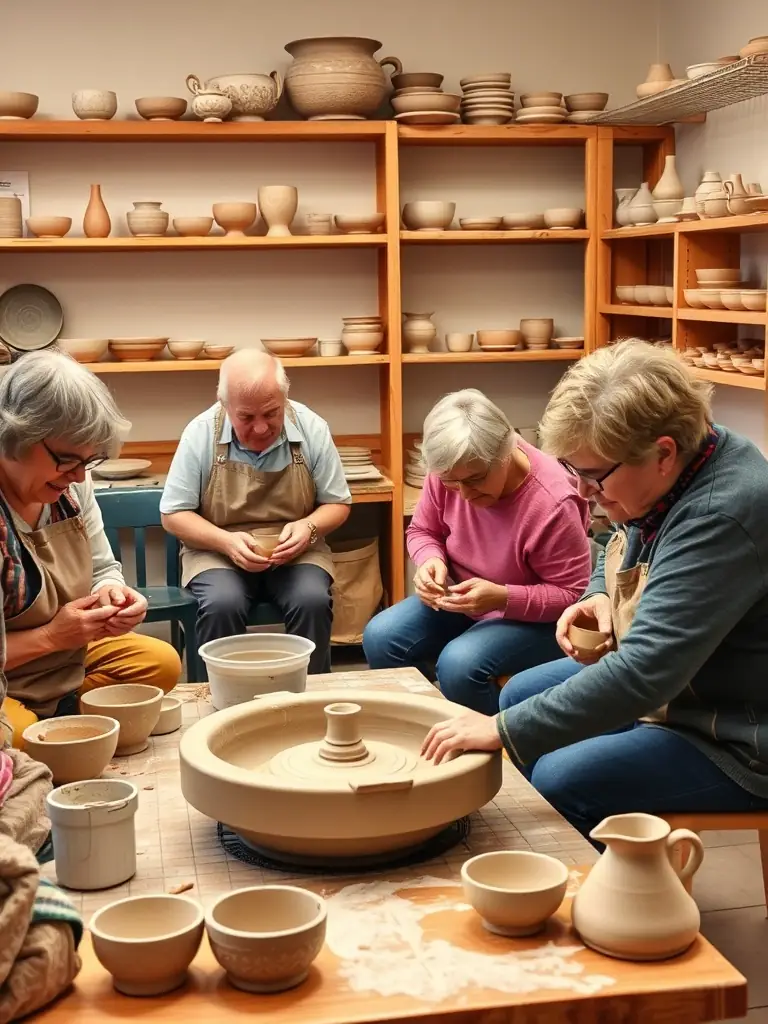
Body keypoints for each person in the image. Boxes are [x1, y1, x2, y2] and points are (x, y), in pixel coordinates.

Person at [421, 341, 768, 839]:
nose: (583, 493)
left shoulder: (720, 515)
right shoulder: (677, 464)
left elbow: (643, 676)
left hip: (732, 734)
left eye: (591, 477)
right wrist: (597, 594)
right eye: (573, 473)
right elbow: (614, 540)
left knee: (561, 777)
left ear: (663, 453)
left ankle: (624, 904)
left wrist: (500, 731)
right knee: (518, 692)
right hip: (682, 691)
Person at [363, 389, 592, 714]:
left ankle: (501, 749)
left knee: (460, 664)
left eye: (475, 480)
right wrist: (430, 560)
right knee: (381, 636)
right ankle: (425, 728)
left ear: (506, 450)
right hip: (462, 598)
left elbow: (573, 596)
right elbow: (422, 530)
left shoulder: (552, 502)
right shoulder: (451, 471)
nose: (464, 494)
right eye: (452, 483)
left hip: (534, 619)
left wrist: (501, 597)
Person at [0, 351, 180, 749]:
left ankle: (63, 727)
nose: (81, 475)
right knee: (14, 739)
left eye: (90, 460)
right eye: (67, 460)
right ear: (15, 435)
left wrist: (112, 593)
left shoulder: (73, 484)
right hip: (9, 678)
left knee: (161, 664)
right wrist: (50, 636)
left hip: (68, 659)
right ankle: (55, 729)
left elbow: (102, 567)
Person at [160, 350, 351, 675]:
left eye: (272, 413)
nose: (261, 428)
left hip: (294, 550)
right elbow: (174, 514)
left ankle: (311, 701)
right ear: (225, 404)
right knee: (222, 604)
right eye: (246, 417)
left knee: (312, 600)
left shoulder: (311, 428)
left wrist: (310, 527)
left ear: (284, 397)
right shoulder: (201, 433)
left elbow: (338, 503)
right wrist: (226, 542)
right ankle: (220, 705)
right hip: (217, 549)